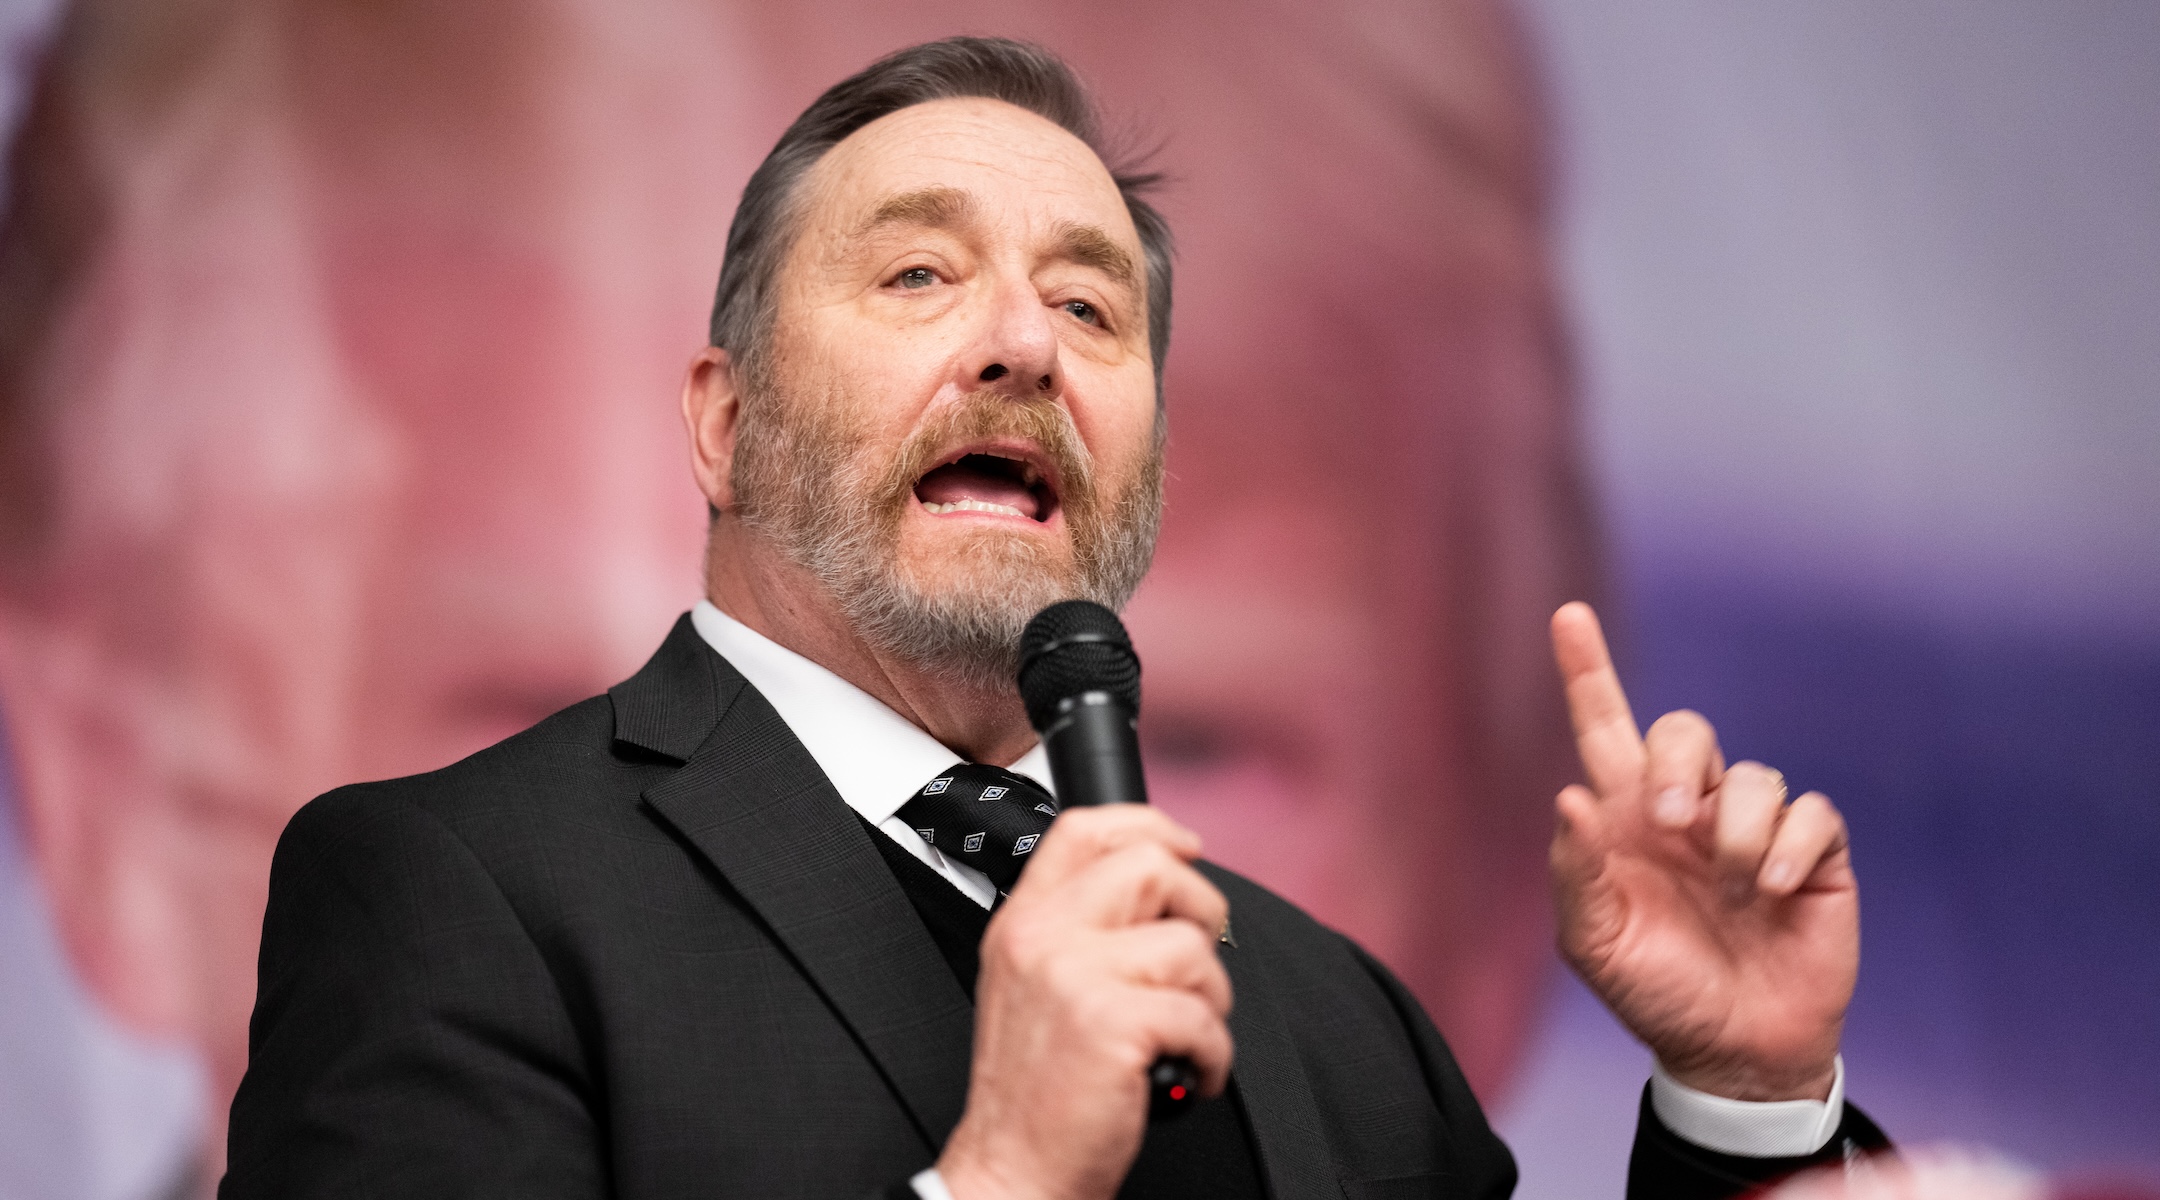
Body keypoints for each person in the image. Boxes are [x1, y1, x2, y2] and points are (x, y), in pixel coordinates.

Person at [219, 39, 1883, 1199]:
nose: (1024, 343)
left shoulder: (1330, 1013)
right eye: (920, 276)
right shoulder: (455, 896)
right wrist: (999, 1182)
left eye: (1090, 304)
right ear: (724, 423)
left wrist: (1748, 1103)